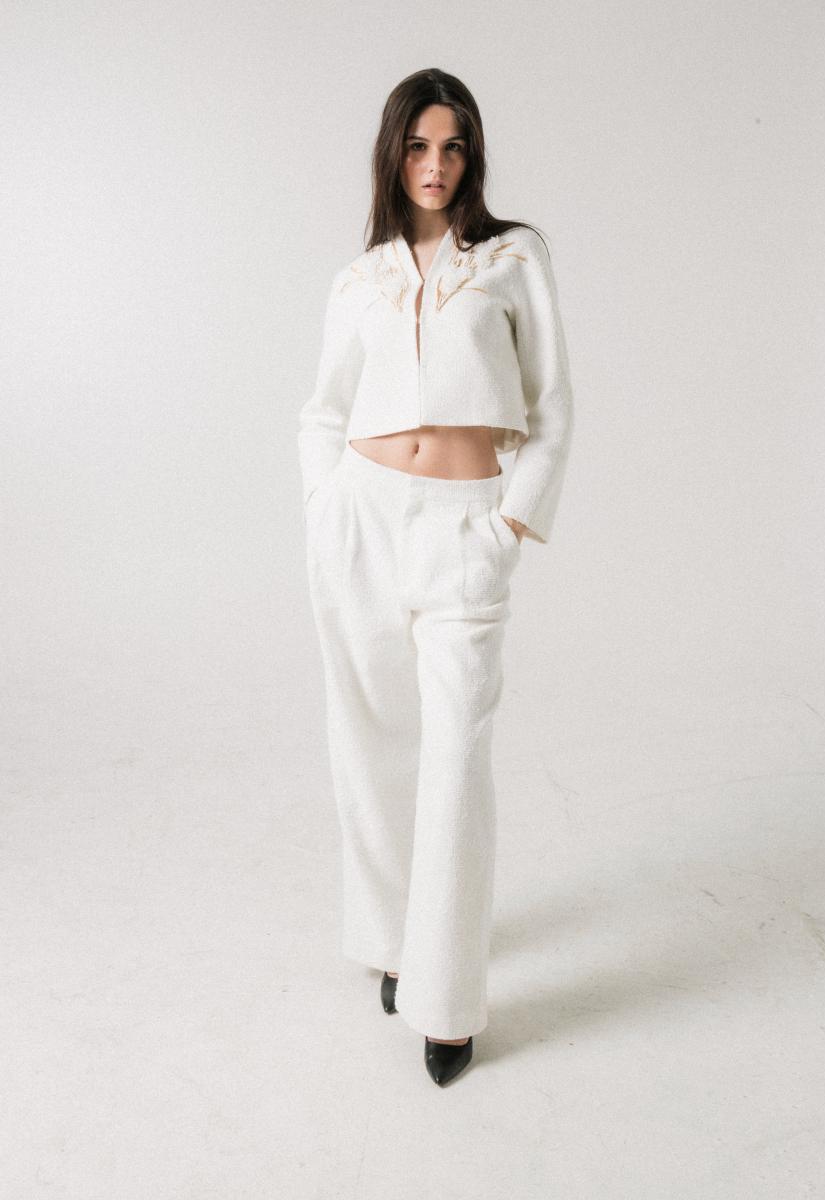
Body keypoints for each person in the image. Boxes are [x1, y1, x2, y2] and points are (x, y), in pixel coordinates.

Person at [297, 67, 574, 1086]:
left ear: (473, 155)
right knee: (369, 743)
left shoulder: (512, 257)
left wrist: (506, 527)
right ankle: (389, 940)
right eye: (417, 145)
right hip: (362, 523)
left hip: (463, 528)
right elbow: (323, 410)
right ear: (393, 153)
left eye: (452, 146)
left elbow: (552, 406)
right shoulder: (359, 278)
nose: (435, 164)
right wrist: (326, 508)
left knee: (454, 759)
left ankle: (447, 1003)